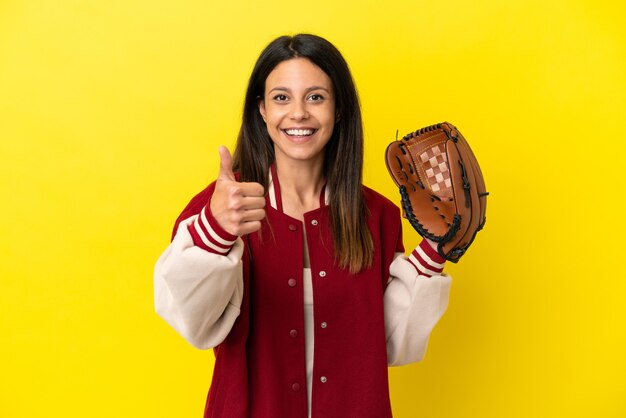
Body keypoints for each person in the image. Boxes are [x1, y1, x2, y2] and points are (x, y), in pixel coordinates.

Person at [154, 34, 451, 418]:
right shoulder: (224, 206)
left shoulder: (377, 215)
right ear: (261, 110)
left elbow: (389, 346)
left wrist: (433, 250)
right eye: (281, 97)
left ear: (338, 109)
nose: (298, 113)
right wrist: (216, 231)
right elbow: (194, 324)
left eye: (315, 97)